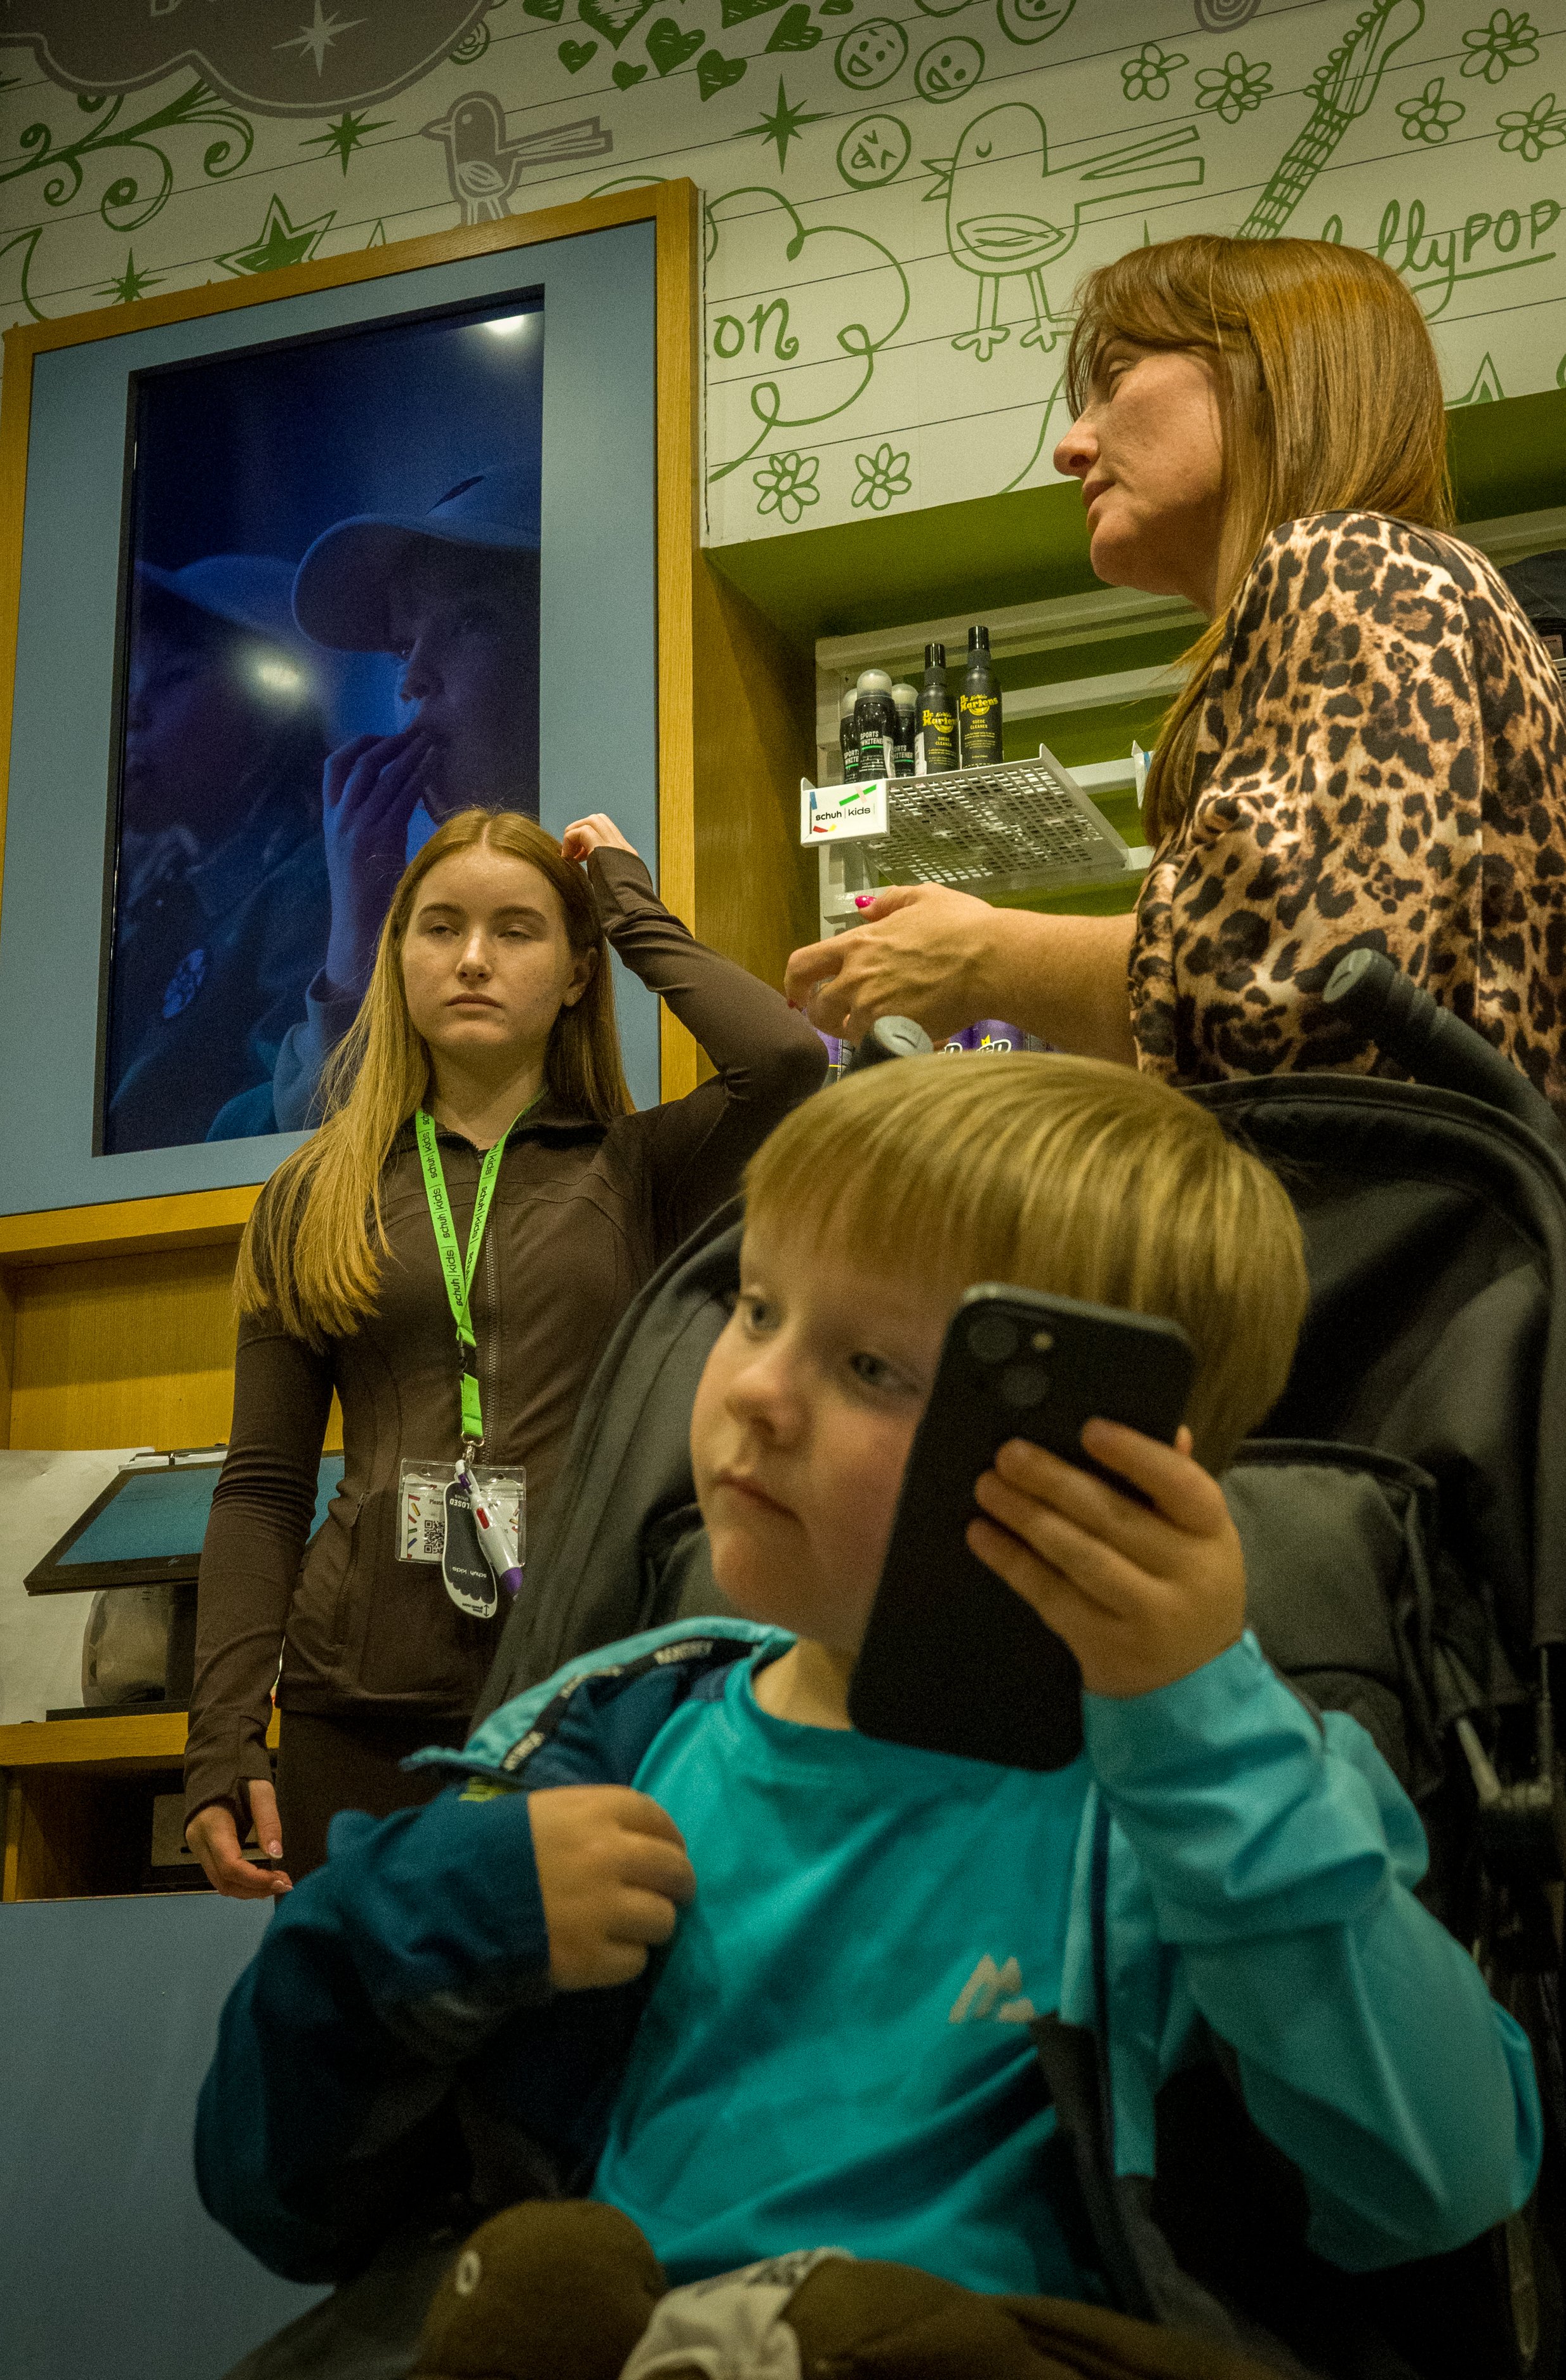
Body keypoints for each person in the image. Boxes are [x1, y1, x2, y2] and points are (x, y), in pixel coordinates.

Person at [194, 1056, 1539, 2372]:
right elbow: (272, 2193)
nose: (755, 1396)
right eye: (759, 1307)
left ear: (1103, 1455)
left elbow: (1438, 2182)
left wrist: (1199, 1730)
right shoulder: (606, 1736)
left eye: (875, 1371)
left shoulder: (1218, 1796)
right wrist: (433, 1908)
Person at [182, 805, 826, 1897]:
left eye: (518, 930)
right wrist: (223, 1738)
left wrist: (620, 893)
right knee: (379, 2043)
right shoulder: (315, 1193)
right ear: (398, 961)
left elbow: (782, 1058)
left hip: (593, 1688)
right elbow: (261, 1489)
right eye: (440, 927)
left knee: (584, 2043)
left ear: (577, 973)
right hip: (357, 1708)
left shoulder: (645, 1166)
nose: (473, 959)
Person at [785, 237, 1566, 1114]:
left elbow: (1293, 996)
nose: (1072, 447)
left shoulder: (1345, 558)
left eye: (1115, 378)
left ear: (1270, 374)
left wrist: (980, 954)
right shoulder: (1400, 590)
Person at [273, 465, 541, 1131]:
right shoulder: (417, 915)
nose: (413, 678)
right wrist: (357, 936)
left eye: (471, 621)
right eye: (402, 646)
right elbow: (320, 1149)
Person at [104, 556, 331, 1150]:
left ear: (273, 708)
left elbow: (292, 1122)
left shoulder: (310, 885)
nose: (134, 711)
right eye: (138, 680)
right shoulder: (149, 878)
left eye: (175, 677)